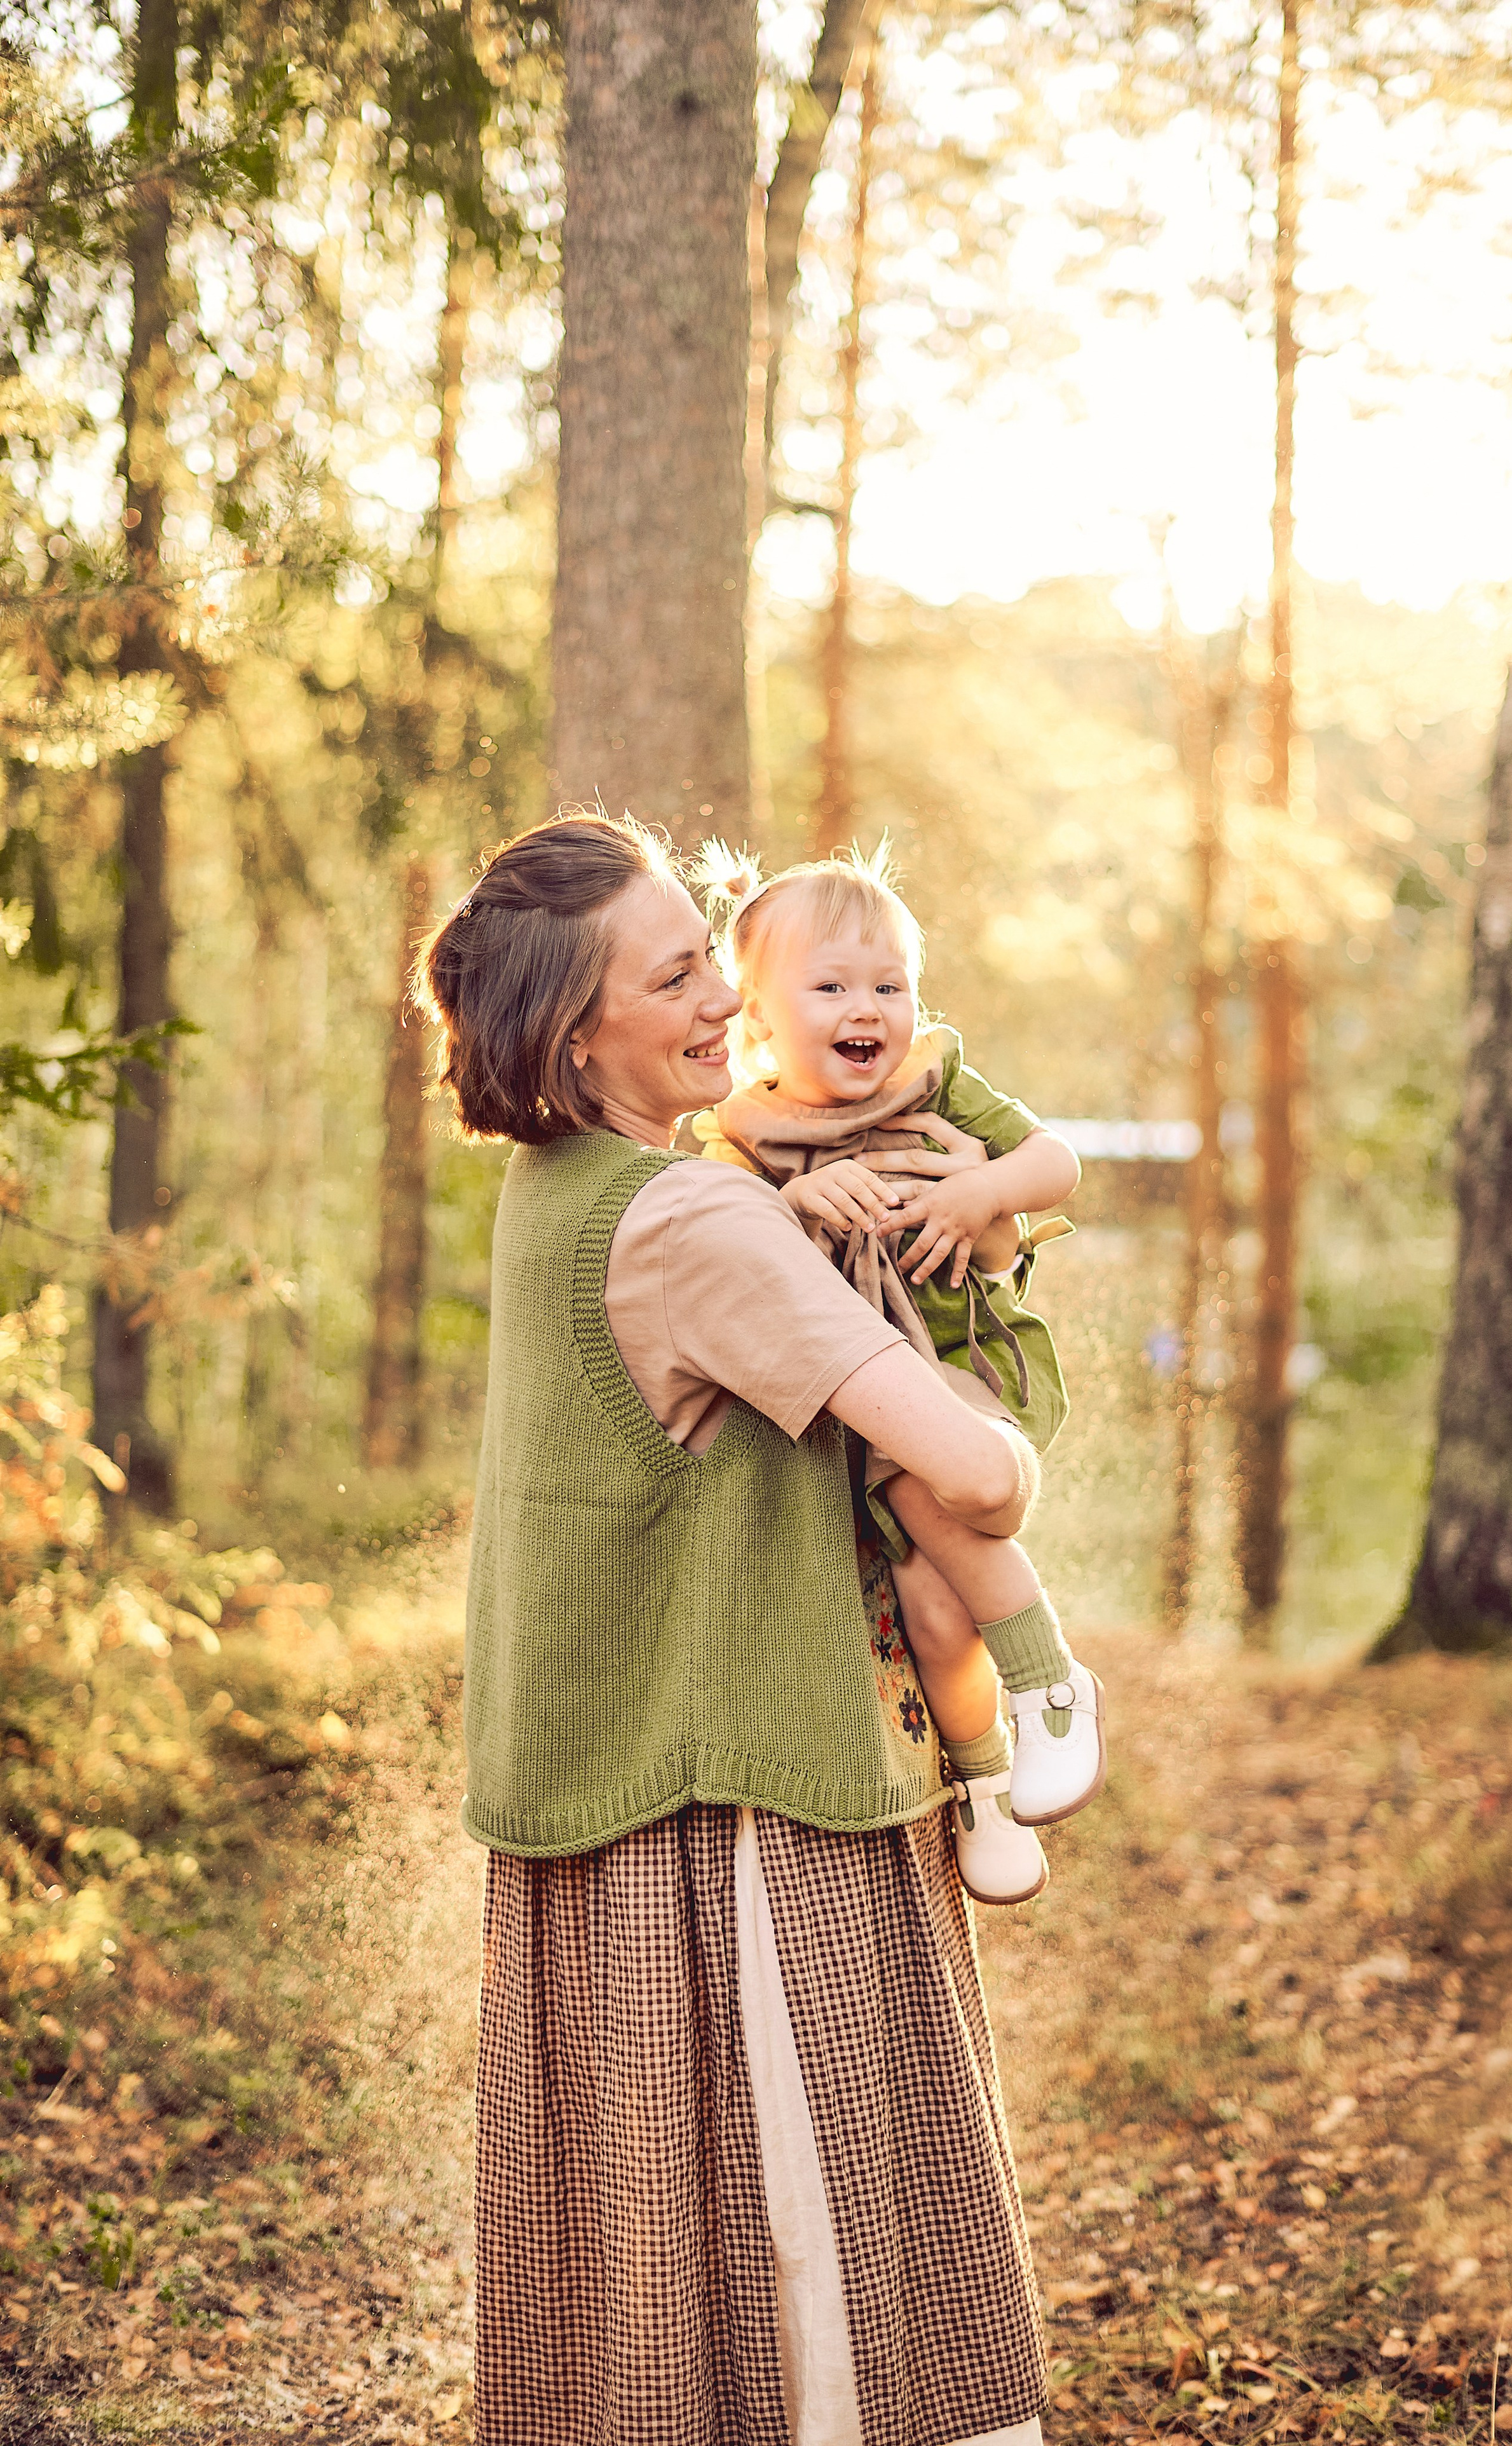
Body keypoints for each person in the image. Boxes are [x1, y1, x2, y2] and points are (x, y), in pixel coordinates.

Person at [421, 810, 1051, 2446]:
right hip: (745, 1814)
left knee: (657, 2286)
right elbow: (975, 1466)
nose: (727, 998)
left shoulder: (561, 1189)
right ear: (579, 1032)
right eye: (681, 971)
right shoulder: (695, 1222)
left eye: (711, 955)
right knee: (823, 2262)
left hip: (602, 1803)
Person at [686, 844, 1103, 1909]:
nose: (866, 1007)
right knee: (931, 1603)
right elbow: (722, 1247)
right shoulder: (745, 1142)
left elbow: (1056, 1163)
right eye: (829, 987)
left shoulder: (939, 1081)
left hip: (966, 1363)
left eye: (889, 985)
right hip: (850, 1412)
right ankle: (989, 1786)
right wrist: (790, 1207)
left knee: (928, 1473)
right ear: (761, 1020)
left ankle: (1053, 1684)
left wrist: (984, 1195)